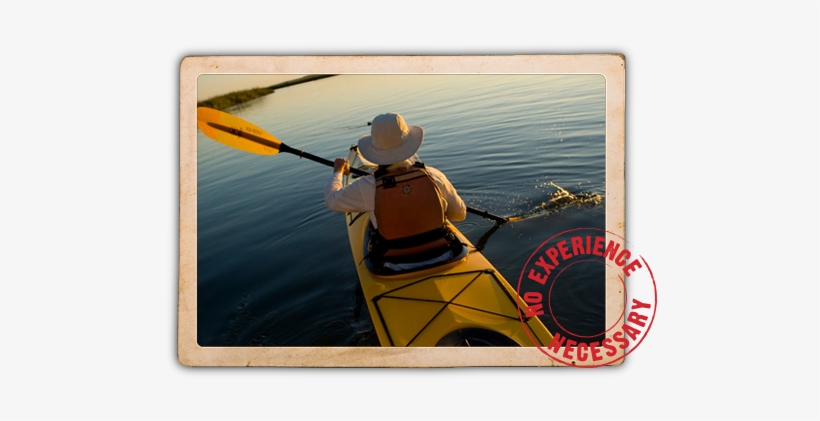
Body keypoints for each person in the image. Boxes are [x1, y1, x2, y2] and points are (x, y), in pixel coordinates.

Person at [324, 112, 466, 270]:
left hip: (395, 265)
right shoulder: (434, 175)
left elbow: (331, 200)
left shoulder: (367, 186)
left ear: (374, 148)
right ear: (409, 144)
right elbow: (460, 214)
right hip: (445, 255)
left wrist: (338, 171)